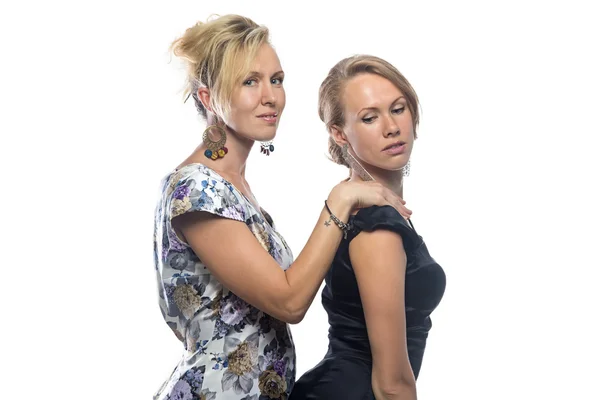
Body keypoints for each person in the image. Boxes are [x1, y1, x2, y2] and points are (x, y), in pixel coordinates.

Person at [152, 16, 411, 400]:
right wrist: (342, 197)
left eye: (276, 79)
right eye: (249, 82)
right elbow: (289, 301)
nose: (271, 96)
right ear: (208, 98)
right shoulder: (197, 189)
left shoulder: (234, 188)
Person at [289, 55, 447, 400]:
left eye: (399, 109)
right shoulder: (377, 229)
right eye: (370, 118)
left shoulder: (366, 212)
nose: (391, 127)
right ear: (339, 133)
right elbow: (392, 385)